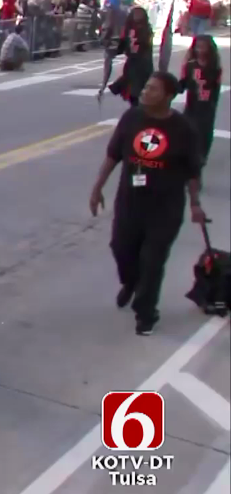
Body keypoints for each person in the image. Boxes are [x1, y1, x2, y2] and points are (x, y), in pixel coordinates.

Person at [91, 72, 207, 336]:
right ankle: (131, 282)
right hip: (130, 201)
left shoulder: (184, 129)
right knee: (121, 248)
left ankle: (146, 313)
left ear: (167, 96)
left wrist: (196, 204)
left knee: (153, 261)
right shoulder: (131, 118)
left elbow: (192, 172)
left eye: (152, 89)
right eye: (145, 87)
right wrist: (97, 188)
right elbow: (112, 156)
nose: (144, 92)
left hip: (165, 207)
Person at [178, 35, 221, 163]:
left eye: (204, 47)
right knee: (187, 129)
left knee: (204, 132)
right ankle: (186, 154)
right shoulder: (190, 65)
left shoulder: (215, 67)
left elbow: (216, 89)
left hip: (207, 105)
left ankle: (201, 156)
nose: (200, 50)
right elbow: (182, 84)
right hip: (192, 104)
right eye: (198, 47)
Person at [105, 6, 154, 106]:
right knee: (132, 91)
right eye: (135, 14)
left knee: (139, 90)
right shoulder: (128, 28)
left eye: (139, 15)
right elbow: (123, 44)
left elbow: (145, 43)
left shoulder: (146, 29)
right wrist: (114, 51)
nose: (137, 17)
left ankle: (139, 109)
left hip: (143, 63)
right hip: (132, 63)